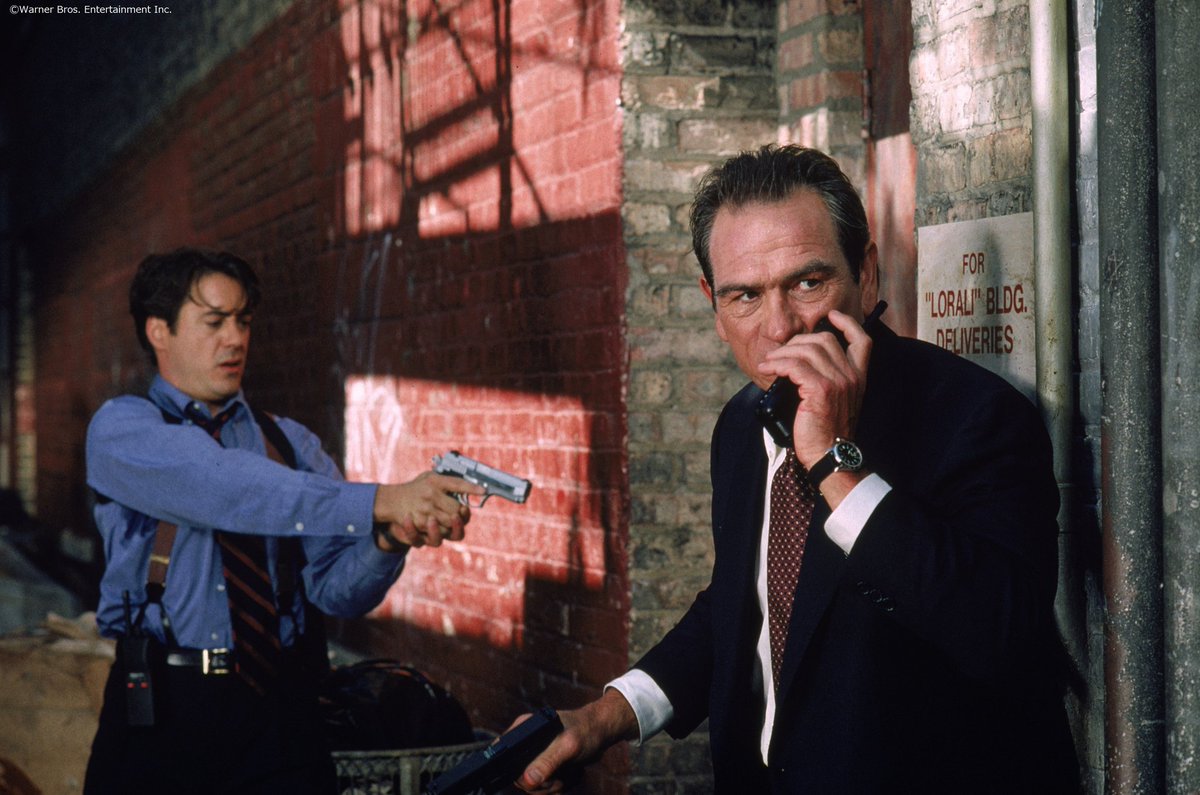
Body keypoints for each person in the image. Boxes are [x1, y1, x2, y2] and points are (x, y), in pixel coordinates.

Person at [515, 145, 1079, 793]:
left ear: (866, 275)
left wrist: (835, 463)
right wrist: (608, 714)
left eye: (808, 283)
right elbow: (744, 603)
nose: (780, 327)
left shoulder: (975, 415)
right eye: (745, 296)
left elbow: (1000, 635)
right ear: (713, 305)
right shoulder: (741, 423)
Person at [83, 248, 485, 794]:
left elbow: (337, 593)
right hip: (165, 713)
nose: (235, 339)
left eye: (243, 321)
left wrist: (389, 540)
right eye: (215, 322)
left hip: (282, 712)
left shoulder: (289, 443)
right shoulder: (124, 430)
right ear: (159, 330)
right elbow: (223, 486)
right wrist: (380, 501)